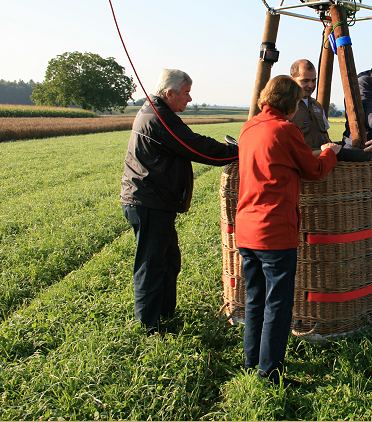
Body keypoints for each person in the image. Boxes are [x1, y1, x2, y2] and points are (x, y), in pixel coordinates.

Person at [236, 75, 341, 386]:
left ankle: (251, 360)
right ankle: (270, 373)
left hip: (246, 228)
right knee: (278, 305)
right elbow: (314, 170)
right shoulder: (286, 130)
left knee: (254, 298)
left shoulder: (249, 126)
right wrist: (330, 151)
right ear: (291, 104)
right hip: (275, 231)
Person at [120, 69, 238, 334]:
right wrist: (237, 153)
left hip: (154, 201)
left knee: (169, 261)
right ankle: (149, 328)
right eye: (185, 92)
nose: (190, 98)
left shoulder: (156, 112)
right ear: (169, 93)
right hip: (149, 202)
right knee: (151, 265)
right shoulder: (159, 118)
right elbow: (195, 146)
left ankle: (164, 315)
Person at [289, 59, 331, 155]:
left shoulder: (318, 106)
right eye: (305, 81)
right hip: (298, 163)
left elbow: (325, 136)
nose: (311, 85)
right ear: (292, 79)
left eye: (313, 81)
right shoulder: (286, 106)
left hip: (319, 163)